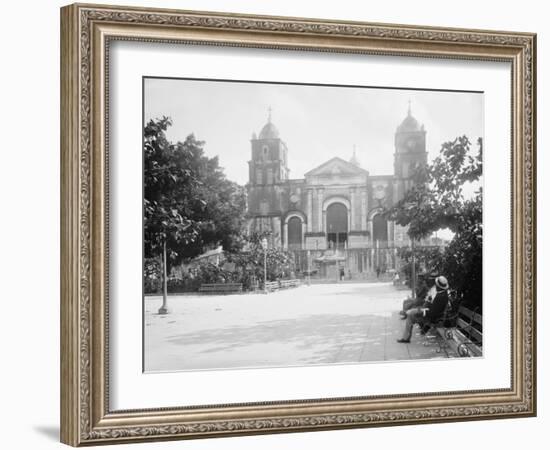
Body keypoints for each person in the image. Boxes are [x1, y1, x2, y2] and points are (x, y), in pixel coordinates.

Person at [397, 275, 449, 343]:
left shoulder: (440, 297)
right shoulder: (442, 294)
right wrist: (429, 301)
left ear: (439, 286)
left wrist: (421, 311)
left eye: (436, 284)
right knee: (411, 313)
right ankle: (407, 336)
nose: (435, 285)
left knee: (410, 314)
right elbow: (433, 308)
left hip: (431, 317)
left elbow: (432, 313)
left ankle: (406, 338)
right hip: (431, 314)